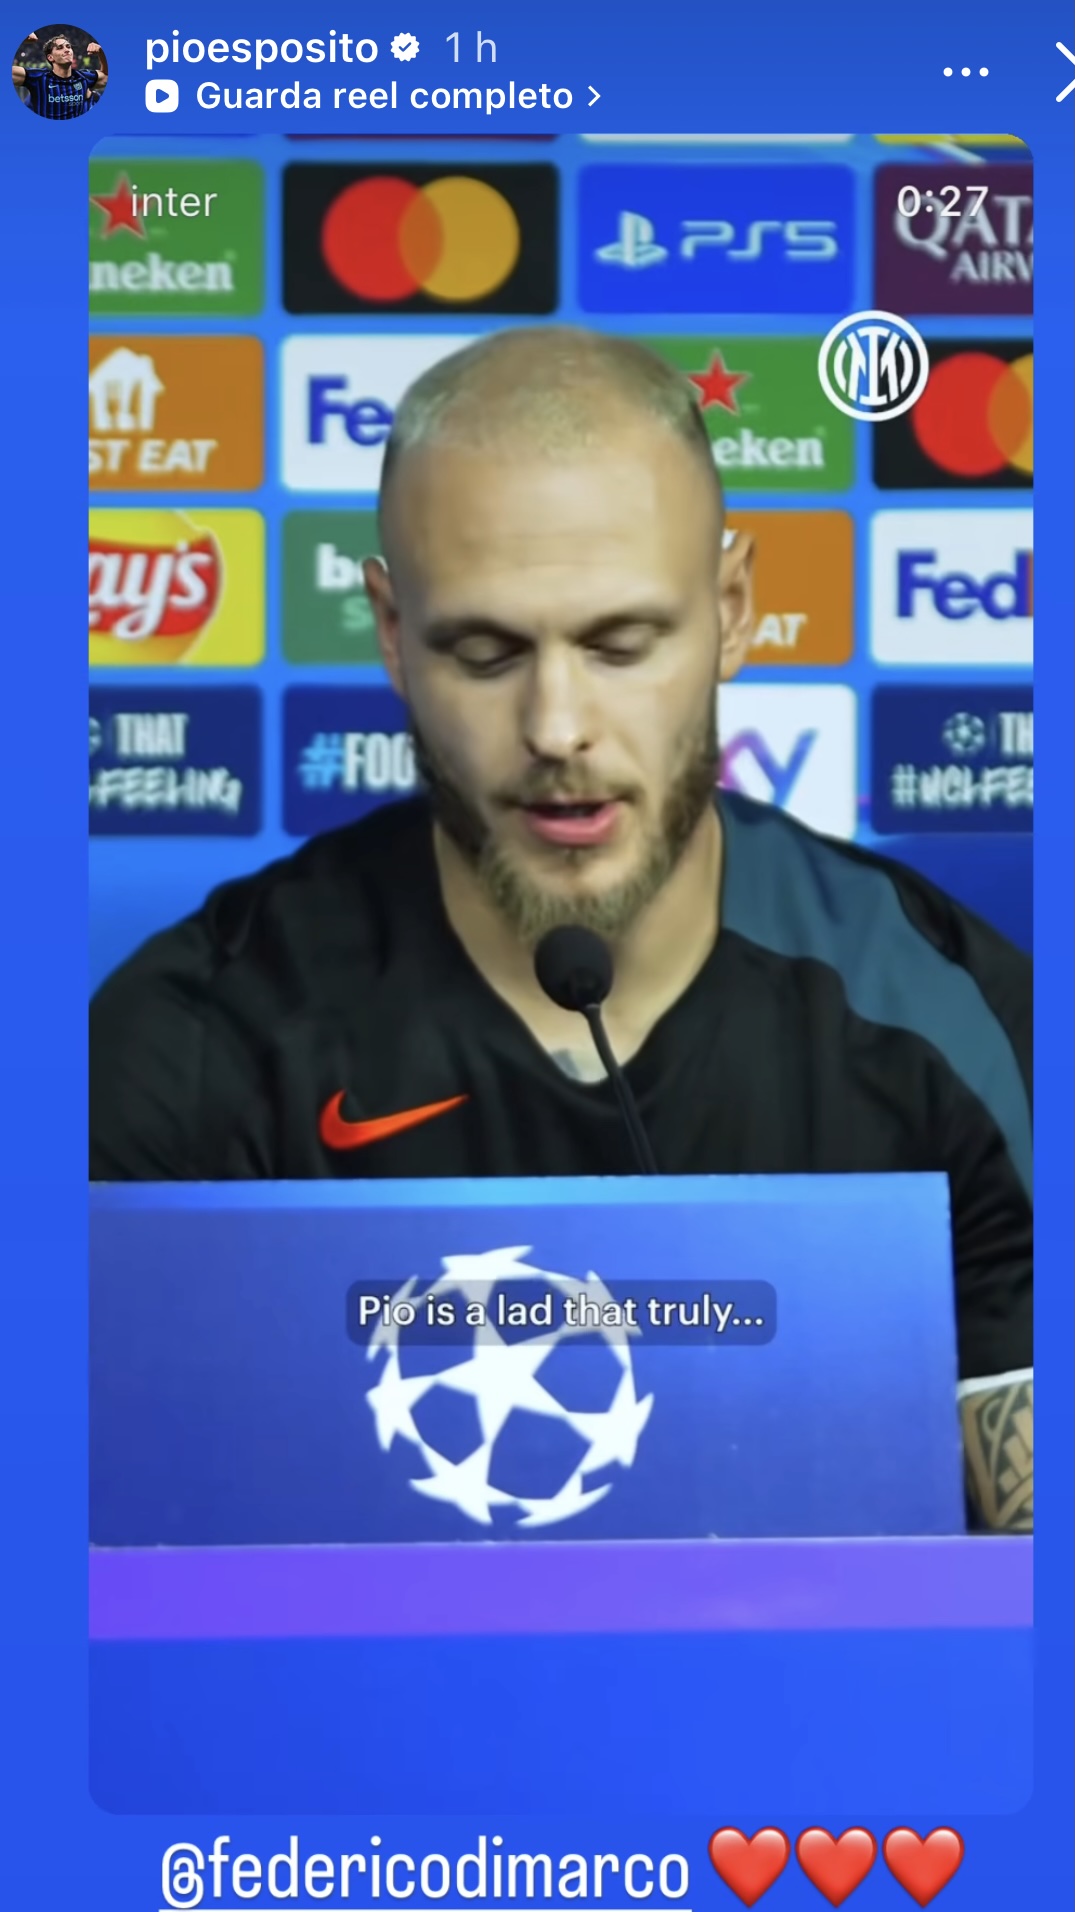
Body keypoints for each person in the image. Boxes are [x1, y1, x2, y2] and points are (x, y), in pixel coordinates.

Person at [90, 327, 1033, 1532]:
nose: (556, 726)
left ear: (733, 610)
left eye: (619, 645)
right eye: (484, 654)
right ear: (391, 634)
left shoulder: (950, 1016)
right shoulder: (194, 1040)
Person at [13, 30, 105, 117]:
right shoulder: (39, 78)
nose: (67, 50)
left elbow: (105, 77)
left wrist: (101, 53)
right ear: (50, 57)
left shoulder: (83, 77)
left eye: (68, 47)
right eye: (60, 48)